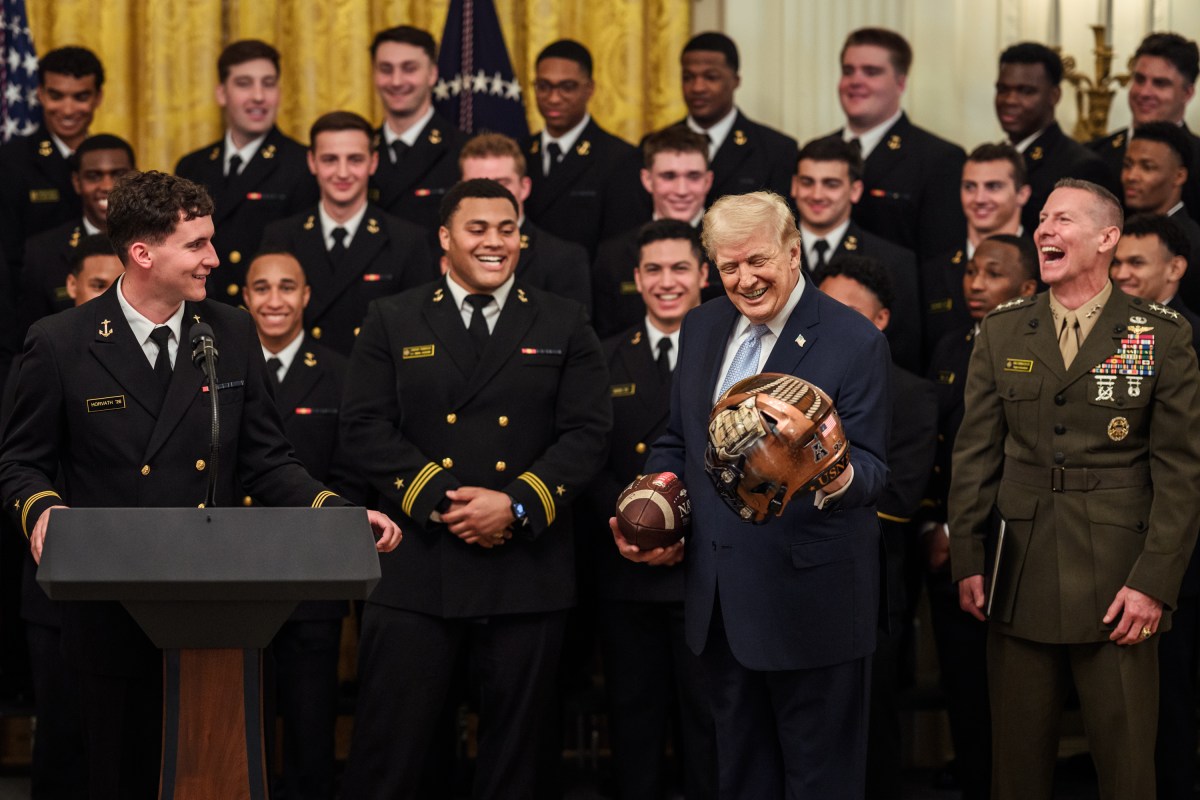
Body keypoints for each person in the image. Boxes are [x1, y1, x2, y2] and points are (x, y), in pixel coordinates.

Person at [0, 170, 401, 799]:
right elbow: (20, 462)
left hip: (214, 600)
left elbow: (267, 462)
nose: (214, 258)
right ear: (142, 253)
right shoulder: (61, 342)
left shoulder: (230, 330)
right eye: (197, 245)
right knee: (119, 773)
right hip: (111, 599)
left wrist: (339, 515)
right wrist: (43, 510)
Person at [339, 179, 610, 799]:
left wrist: (513, 504)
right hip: (419, 566)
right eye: (477, 229)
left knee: (518, 763)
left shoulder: (563, 319)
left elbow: (588, 433)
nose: (494, 242)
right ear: (445, 238)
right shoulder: (394, 316)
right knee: (392, 756)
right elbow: (363, 427)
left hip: (525, 569)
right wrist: (443, 500)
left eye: (506, 229)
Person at [615, 191, 891, 798]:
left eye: (758, 260)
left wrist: (828, 464)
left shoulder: (853, 339)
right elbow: (678, 440)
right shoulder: (703, 324)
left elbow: (873, 473)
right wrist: (652, 499)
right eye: (729, 266)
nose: (745, 279)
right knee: (739, 778)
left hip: (811, 605)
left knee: (820, 781)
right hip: (718, 605)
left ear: (794, 253)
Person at [949, 178, 1200, 800]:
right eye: (1041, 220)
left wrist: (1153, 583)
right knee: (1017, 770)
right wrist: (968, 560)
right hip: (1020, 573)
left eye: (1061, 220)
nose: (1043, 230)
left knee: (1125, 770)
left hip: (1120, 581)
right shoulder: (1003, 331)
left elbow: (1179, 473)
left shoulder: (1159, 335)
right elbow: (975, 454)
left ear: (1107, 237)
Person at [586, 219, 716, 800]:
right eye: (655, 270)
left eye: (680, 268)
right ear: (637, 278)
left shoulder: (734, 352)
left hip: (707, 570)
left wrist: (687, 535)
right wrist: (635, 530)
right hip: (625, 567)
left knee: (707, 724)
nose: (668, 282)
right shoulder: (603, 357)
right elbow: (586, 455)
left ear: (704, 275)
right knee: (632, 721)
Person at [2, 233, 123, 800]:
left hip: (137, 576)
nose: (105, 296)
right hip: (58, 580)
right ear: (71, 286)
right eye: (96, 284)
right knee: (63, 736)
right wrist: (43, 510)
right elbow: (22, 460)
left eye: (112, 284)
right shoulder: (46, 348)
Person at [920, 233, 1038, 800]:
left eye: (993, 274)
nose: (975, 283)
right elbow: (938, 446)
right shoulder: (949, 346)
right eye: (971, 272)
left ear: (1026, 288)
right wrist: (935, 525)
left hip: (1013, 544)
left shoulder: (1036, 347)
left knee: (1012, 692)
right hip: (949, 540)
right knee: (962, 683)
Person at [816, 254, 937, 799]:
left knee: (866, 721)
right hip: (788, 580)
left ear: (881, 319)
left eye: (847, 310)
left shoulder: (911, 393)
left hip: (871, 585)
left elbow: (900, 497)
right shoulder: (781, 385)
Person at [241, 251, 349, 800]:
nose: (274, 300)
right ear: (245, 297)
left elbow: (349, 471)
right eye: (262, 288)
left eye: (288, 287)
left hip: (312, 572)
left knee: (312, 722)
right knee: (241, 723)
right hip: (234, 571)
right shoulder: (219, 363)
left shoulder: (340, 372)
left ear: (307, 296)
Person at [1108, 211, 1200, 800]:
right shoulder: (1120, 333)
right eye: (1116, 262)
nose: (1123, 274)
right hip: (1120, 540)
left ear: (1176, 269)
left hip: (1180, 550)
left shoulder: (1186, 336)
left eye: (1136, 263)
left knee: (1175, 697)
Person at [259, 111, 434, 356]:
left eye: (355, 159)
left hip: (375, 382)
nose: (342, 173)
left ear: (373, 162)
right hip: (303, 385)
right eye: (330, 159)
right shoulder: (281, 237)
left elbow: (418, 333)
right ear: (312, 162)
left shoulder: (408, 240)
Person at [606, 32, 798, 236]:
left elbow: (782, 230)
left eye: (710, 77)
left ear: (735, 80)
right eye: (688, 77)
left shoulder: (775, 150)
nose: (697, 87)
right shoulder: (652, 144)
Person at [175, 40, 318, 305]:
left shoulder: (302, 164)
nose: (258, 96)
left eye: (268, 83)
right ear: (221, 93)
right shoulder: (192, 166)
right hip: (203, 313)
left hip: (268, 315)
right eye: (244, 84)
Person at [826, 27, 966, 263]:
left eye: (871, 72)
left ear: (900, 83)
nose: (856, 81)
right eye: (848, 71)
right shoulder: (818, 152)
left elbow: (940, 258)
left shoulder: (939, 159)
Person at [793, 136, 921, 371]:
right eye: (807, 182)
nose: (817, 195)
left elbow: (904, 353)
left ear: (855, 190)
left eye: (831, 184)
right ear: (794, 186)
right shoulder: (770, 255)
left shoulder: (895, 261)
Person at [592, 126, 713, 337]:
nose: (681, 190)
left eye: (693, 176)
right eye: (669, 176)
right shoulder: (613, 256)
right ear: (647, 180)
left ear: (707, 181)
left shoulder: (732, 250)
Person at [523, 39, 636, 257]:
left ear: (589, 89)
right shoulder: (519, 152)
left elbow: (619, 246)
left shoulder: (619, 157)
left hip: (584, 286)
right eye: (543, 86)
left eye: (567, 87)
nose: (553, 98)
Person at [0, 46, 104, 275]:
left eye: (81, 97)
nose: (67, 110)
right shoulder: (10, 162)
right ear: (41, 94)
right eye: (56, 96)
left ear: (98, 97)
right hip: (33, 301)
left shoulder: (110, 160)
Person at [458, 132, 591, 310]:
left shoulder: (563, 260)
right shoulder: (438, 252)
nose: (489, 195)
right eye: (476, 185)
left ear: (524, 187)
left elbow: (570, 334)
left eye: (502, 183)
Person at [994, 42, 1118, 234]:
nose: (1010, 100)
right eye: (1003, 89)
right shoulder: (993, 159)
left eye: (1025, 91)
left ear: (1054, 95)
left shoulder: (1082, 167)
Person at [923, 143, 1031, 359]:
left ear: (1022, 194)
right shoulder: (932, 269)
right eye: (970, 187)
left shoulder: (1045, 265)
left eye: (993, 187)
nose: (979, 199)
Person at [19, 134, 135, 334]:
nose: (107, 186)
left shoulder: (159, 243)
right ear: (76, 181)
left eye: (118, 175)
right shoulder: (43, 252)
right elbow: (27, 336)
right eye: (94, 176)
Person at [368, 25, 467, 234]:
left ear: (432, 74)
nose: (396, 81)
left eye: (409, 68)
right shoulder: (359, 152)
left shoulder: (463, 150)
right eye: (386, 69)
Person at [1090, 32, 1200, 215]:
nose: (1144, 92)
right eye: (1139, 80)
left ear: (1187, 93)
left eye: (1160, 83)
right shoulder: (1095, 154)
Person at [1120, 122, 1200, 305]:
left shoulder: (1194, 246)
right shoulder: (1118, 229)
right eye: (1127, 165)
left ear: (1179, 176)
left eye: (1147, 167)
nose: (1131, 176)